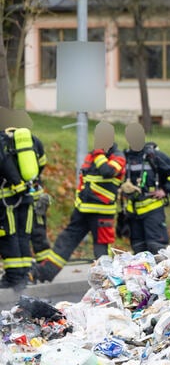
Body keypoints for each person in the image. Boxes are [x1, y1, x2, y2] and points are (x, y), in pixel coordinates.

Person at [35, 121, 126, 283]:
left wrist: (98, 154)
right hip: (82, 211)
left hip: (102, 213)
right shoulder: (92, 156)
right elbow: (84, 181)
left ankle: (108, 281)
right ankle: (44, 273)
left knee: (101, 249)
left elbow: (107, 171)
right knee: (65, 241)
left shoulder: (117, 156)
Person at [119, 122, 170, 254]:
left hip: (153, 211)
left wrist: (165, 190)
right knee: (138, 249)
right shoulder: (125, 157)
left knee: (156, 247)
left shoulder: (153, 156)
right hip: (133, 212)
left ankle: (160, 273)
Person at [0, 107, 45, 290]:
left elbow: (2, 164)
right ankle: (25, 273)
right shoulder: (32, 140)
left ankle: (13, 277)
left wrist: (14, 182)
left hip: (6, 200)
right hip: (27, 196)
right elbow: (41, 163)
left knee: (8, 235)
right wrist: (26, 182)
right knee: (23, 235)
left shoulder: (2, 141)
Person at [6, 109, 55, 274]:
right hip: (35, 193)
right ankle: (44, 267)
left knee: (23, 233)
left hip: (17, 195)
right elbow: (42, 163)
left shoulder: (7, 142)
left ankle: (34, 269)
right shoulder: (34, 141)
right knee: (38, 232)